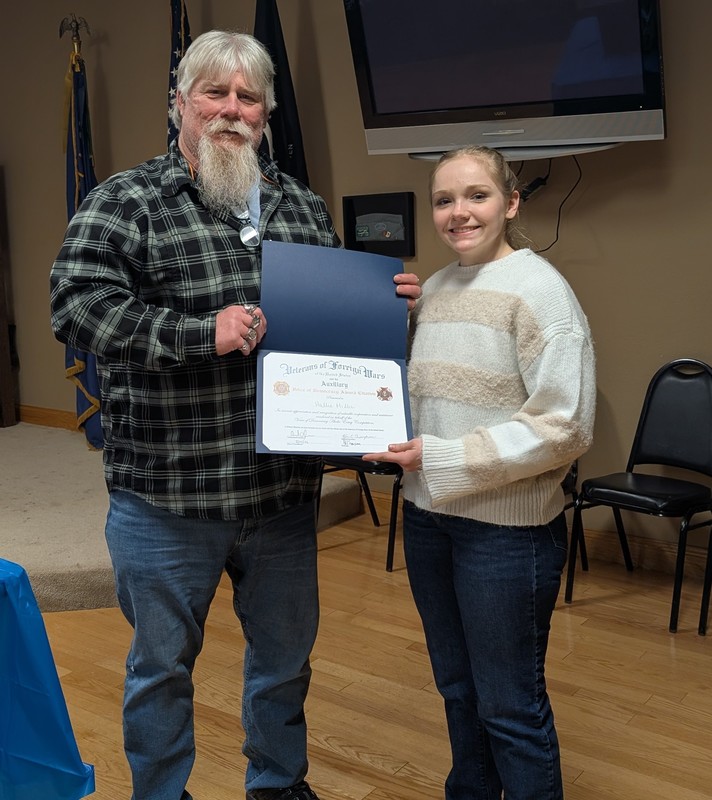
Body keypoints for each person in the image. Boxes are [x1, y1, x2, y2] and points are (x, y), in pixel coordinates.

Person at [50, 29, 420, 800]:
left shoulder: (302, 207)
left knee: (284, 663)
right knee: (160, 671)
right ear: (179, 103)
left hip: (280, 497)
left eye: (247, 97)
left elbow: (331, 339)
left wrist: (384, 312)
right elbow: (77, 306)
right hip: (169, 497)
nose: (230, 109)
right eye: (213, 92)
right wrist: (199, 334)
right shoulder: (125, 201)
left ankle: (279, 785)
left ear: (265, 114)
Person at [363, 145, 596, 800]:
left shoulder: (541, 294)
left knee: (510, 709)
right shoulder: (432, 292)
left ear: (511, 203)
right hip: (430, 523)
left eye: (476, 195)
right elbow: (420, 399)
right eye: (444, 199)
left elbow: (566, 428)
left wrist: (439, 456)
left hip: (507, 536)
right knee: (458, 692)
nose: (459, 212)